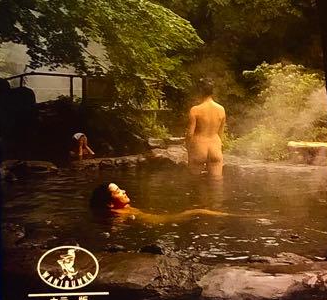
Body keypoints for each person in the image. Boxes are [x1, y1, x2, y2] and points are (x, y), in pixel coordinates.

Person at [88, 182, 227, 224]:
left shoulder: (123, 209)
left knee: (198, 211)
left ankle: (228, 215)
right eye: (118, 191)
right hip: (162, 221)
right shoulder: (120, 215)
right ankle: (230, 216)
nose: (124, 191)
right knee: (198, 211)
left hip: (159, 220)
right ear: (110, 204)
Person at [187, 79, 226, 178]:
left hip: (199, 147)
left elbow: (190, 134)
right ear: (212, 91)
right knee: (216, 182)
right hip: (215, 147)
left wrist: (188, 148)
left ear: (200, 91)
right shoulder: (221, 109)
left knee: (194, 182)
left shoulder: (195, 110)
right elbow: (220, 133)